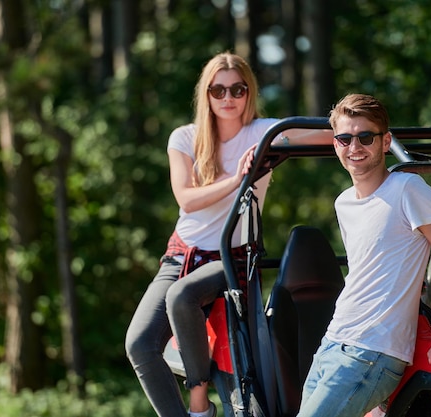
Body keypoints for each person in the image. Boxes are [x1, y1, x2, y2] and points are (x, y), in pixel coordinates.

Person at [125, 51, 332, 417]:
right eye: (218, 90)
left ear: (249, 92)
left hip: (231, 259)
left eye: (237, 89)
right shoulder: (185, 138)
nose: (228, 98)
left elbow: (332, 135)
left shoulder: (266, 132)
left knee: (182, 296)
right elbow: (186, 200)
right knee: (139, 344)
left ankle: (199, 403)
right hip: (182, 254)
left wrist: (362, 131)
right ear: (205, 94)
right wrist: (237, 179)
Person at [296, 94, 431, 417]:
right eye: (345, 138)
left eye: (366, 137)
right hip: (332, 343)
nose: (355, 147)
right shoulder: (343, 203)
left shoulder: (408, 189)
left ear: (385, 141)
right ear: (335, 144)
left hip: (372, 352)